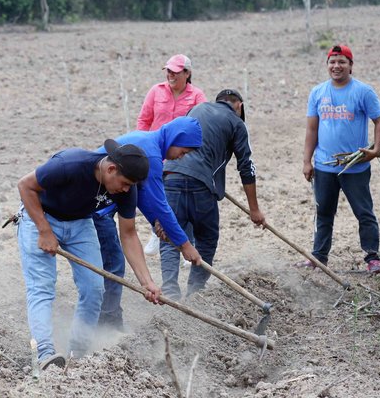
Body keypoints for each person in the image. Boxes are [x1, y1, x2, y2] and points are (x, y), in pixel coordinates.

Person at [16, 140, 161, 370]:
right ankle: (44, 354)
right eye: (124, 184)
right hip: (40, 216)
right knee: (42, 287)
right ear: (111, 169)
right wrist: (44, 230)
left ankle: (77, 356)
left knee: (94, 288)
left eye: (130, 186)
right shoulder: (70, 165)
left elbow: (129, 234)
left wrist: (147, 282)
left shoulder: (126, 188)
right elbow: (25, 186)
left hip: (80, 223)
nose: (126, 190)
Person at [92, 117, 203, 331]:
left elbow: (140, 193)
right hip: (97, 206)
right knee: (114, 263)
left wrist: (156, 222)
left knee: (112, 262)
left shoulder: (149, 143)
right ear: (175, 138)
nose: (181, 157)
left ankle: (109, 316)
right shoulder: (151, 154)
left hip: (105, 202)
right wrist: (185, 245)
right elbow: (161, 205)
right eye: (183, 150)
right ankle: (108, 325)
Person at [159, 90, 266, 300]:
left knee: (171, 235)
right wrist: (254, 210)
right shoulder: (236, 123)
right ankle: (195, 294)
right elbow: (246, 167)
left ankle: (170, 291)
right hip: (201, 185)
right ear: (239, 106)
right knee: (207, 239)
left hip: (171, 177)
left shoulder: (196, 109)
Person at [302, 45, 380, 274]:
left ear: (350, 65)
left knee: (364, 213)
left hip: (355, 167)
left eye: (342, 62)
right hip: (324, 166)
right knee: (324, 213)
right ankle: (319, 257)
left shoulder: (363, 91)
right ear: (327, 65)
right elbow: (311, 130)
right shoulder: (317, 92)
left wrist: (376, 149)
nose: (336, 66)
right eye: (332, 62)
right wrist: (307, 161)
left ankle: (372, 258)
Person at [137, 54, 207, 256]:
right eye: (168, 71)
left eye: (176, 72)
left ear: (187, 73)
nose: (171, 75)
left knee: (183, 198)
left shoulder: (197, 96)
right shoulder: (155, 92)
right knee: (158, 195)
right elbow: (144, 120)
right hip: (156, 153)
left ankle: (188, 239)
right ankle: (156, 234)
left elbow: (201, 125)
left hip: (182, 157)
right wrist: (143, 150)